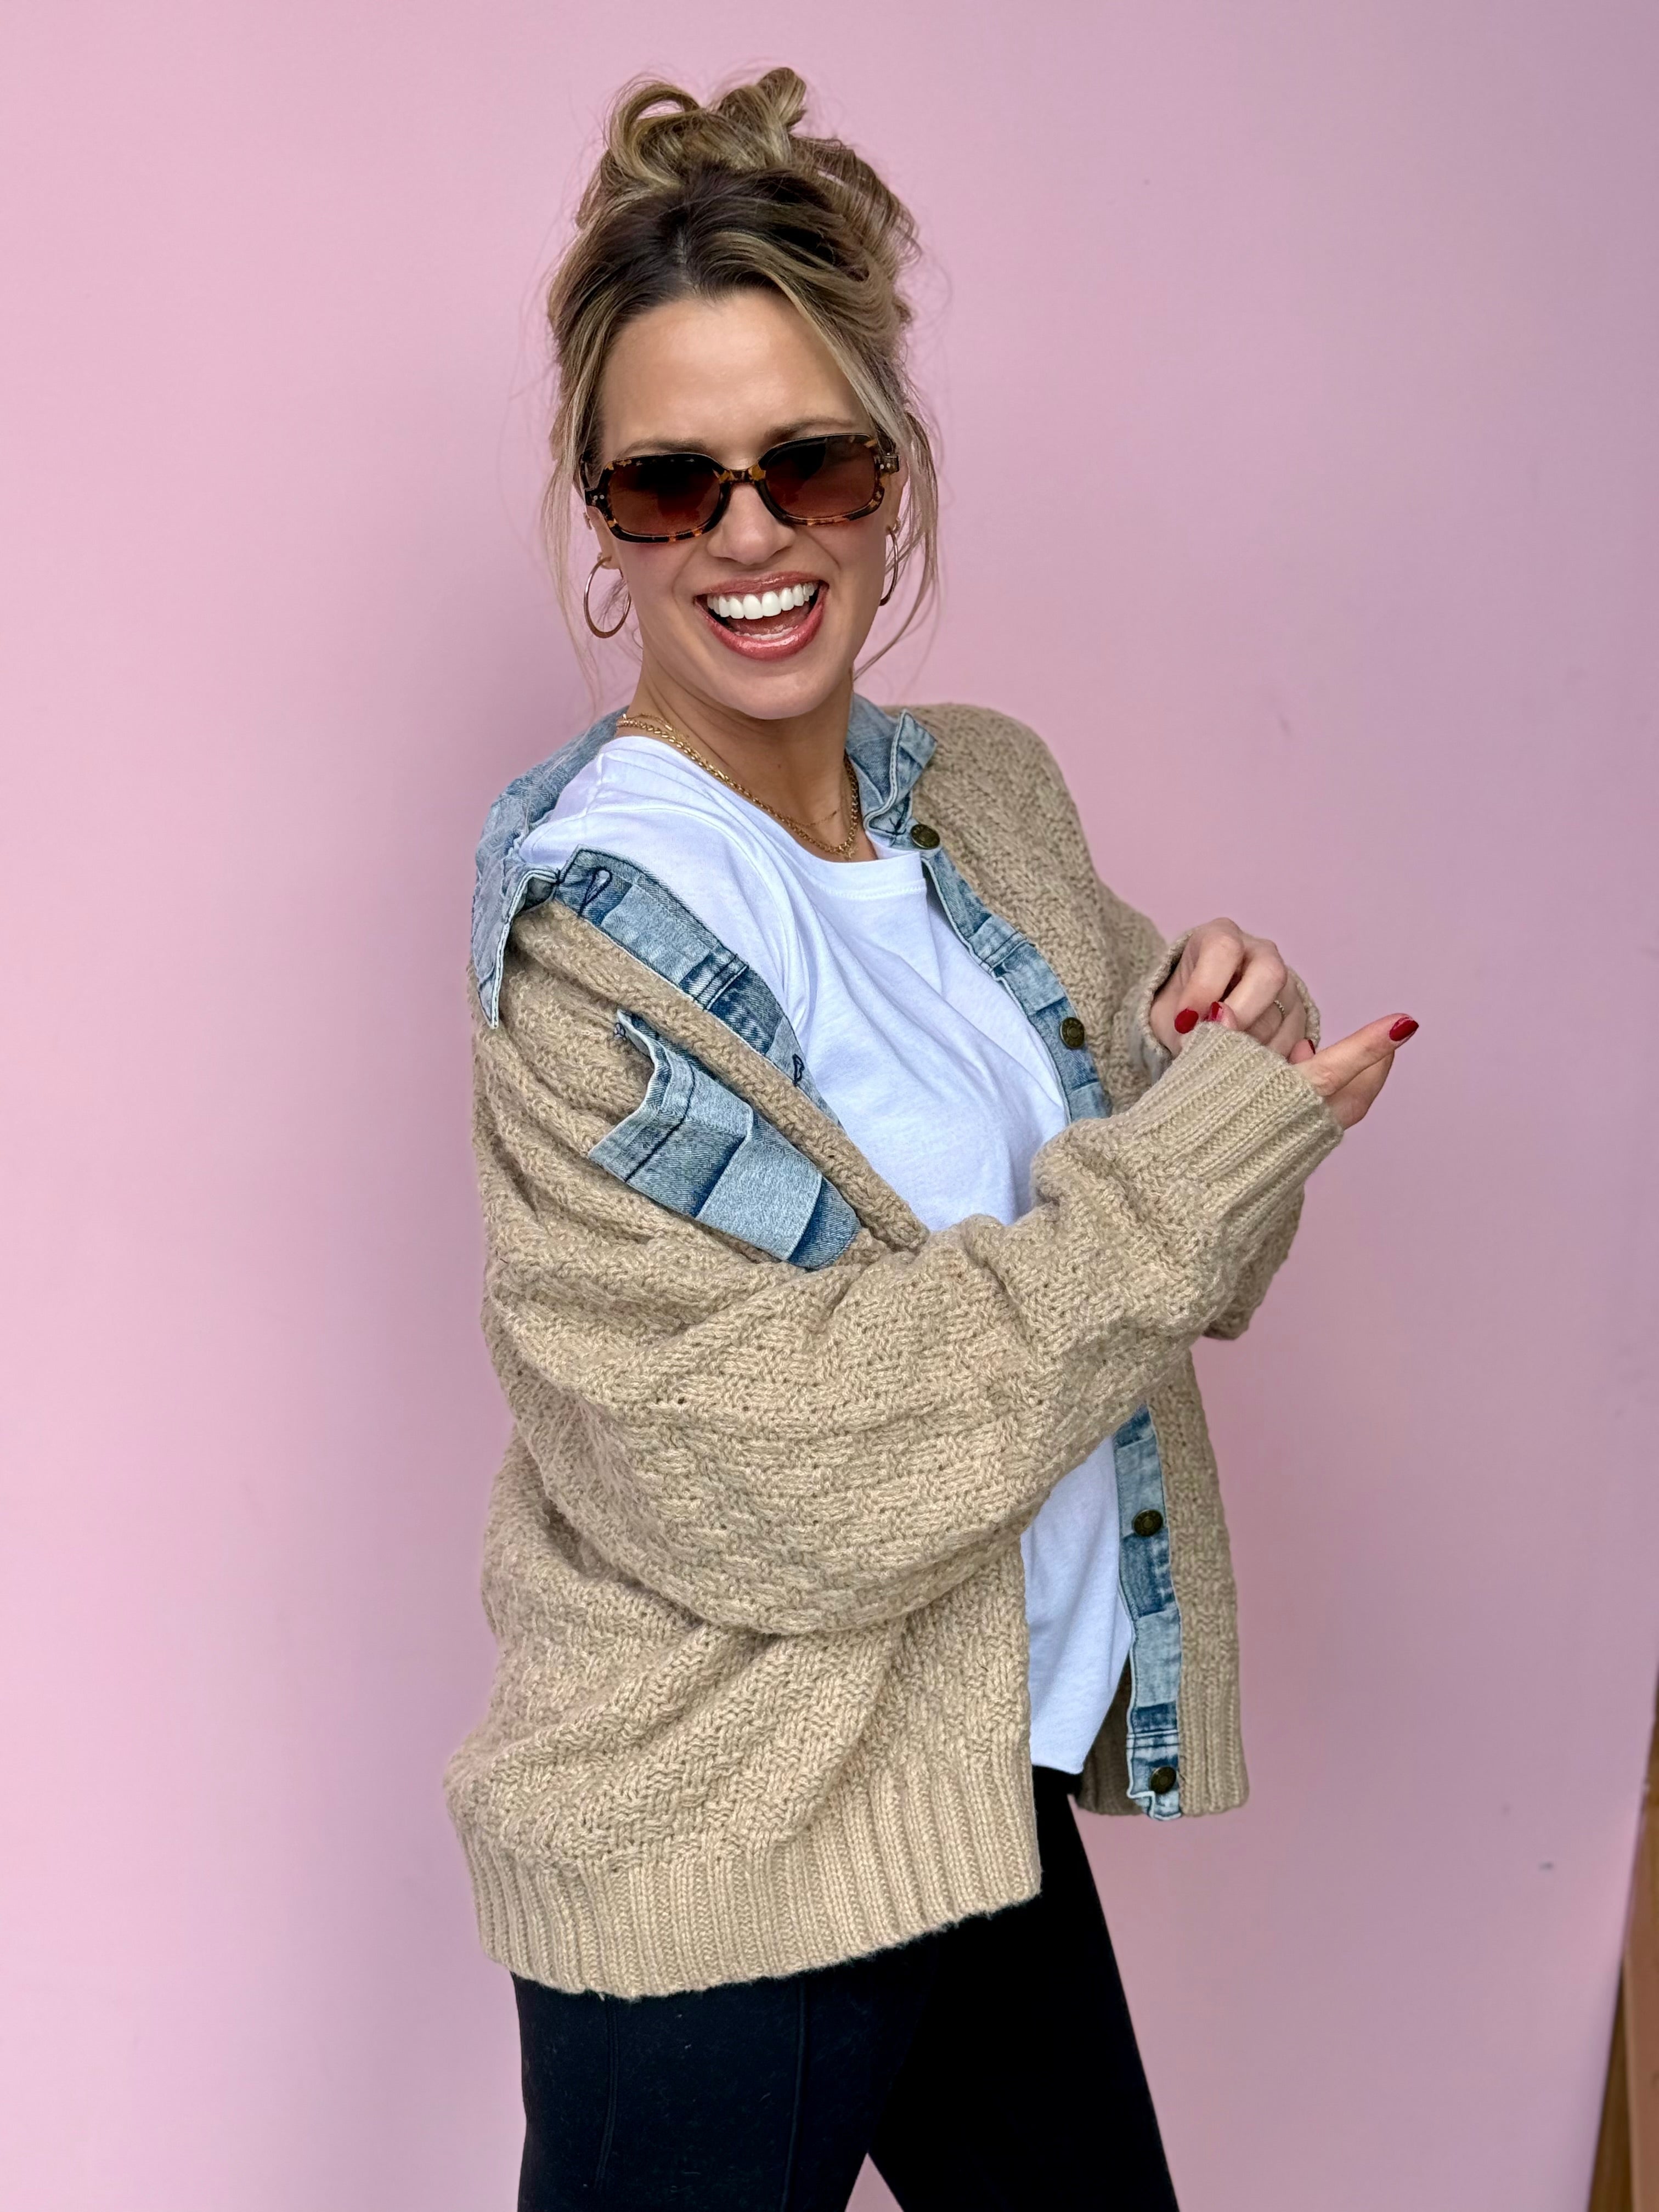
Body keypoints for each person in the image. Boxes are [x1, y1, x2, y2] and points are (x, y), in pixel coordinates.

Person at [447, 67, 1417, 2212]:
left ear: (894, 477)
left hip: (974, 1783)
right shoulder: (596, 930)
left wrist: (1217, 1059)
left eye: (812, 461)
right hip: (716, 1837)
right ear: (602, 526)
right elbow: (750, 1468)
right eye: (671, 485)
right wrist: (1187, 1173)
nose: (752, 535)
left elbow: (1198, 1264)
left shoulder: (986, 796)